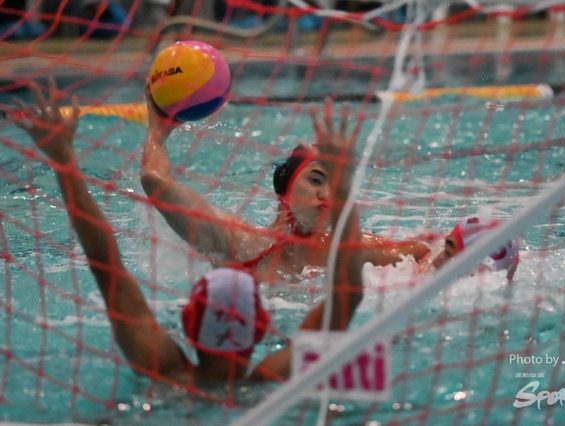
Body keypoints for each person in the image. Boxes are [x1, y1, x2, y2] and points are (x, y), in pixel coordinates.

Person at [10, 78, 364, 386]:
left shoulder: (162, 369)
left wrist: (63, 159)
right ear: (261, 326)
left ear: (186, 318)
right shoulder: (274, 381)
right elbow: (347, 298)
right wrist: (344, 183)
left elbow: (104, 260)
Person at [141, 90, 434, 283]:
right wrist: (157, 131)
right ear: (285, 189)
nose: (327, 195)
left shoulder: (346, 249)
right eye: (316, 179)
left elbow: (427, 251)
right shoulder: (238, 244)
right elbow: (156, 182)